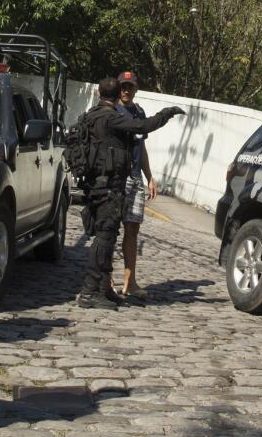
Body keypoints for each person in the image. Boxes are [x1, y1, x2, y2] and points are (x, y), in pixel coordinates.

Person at [76, 77, 184, 310]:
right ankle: (89, 291)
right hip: (108, 187)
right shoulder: (111, 118)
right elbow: (142, 127)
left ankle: (104, 288)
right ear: (116, 97)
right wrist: (166, 113)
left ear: (98, 93)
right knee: (104, 239)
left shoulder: (90, 116)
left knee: (109, 235)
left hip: (99, 185)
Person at [115, 71, 155, 304]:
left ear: (136, 89)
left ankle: (129, 283)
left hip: (136, 178)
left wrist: (149, 176)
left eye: (130, 87)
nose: (126, 90)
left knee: (132, 230)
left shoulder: (139, 114)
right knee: (110, 230)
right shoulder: (112, 111)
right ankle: (107, 280)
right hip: (117, 178)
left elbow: (142, 147)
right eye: (123, 86)